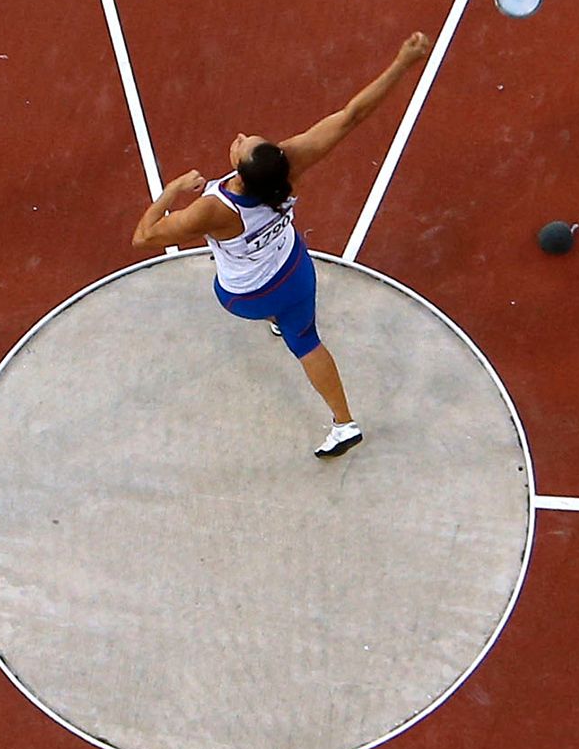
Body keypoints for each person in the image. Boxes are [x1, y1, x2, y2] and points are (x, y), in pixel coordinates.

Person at [131, 32, 432, 457]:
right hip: (296, 269)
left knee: (235, 297)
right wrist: (403, 63)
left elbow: (144, 235)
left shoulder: (213, 211)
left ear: (237, 169)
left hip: (248, 295)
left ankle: (279, 324)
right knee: (305, 339)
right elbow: (352, 116)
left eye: (243, 143)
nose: (240, 135)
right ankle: (343, 423)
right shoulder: (290, 166)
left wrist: (174, 189)